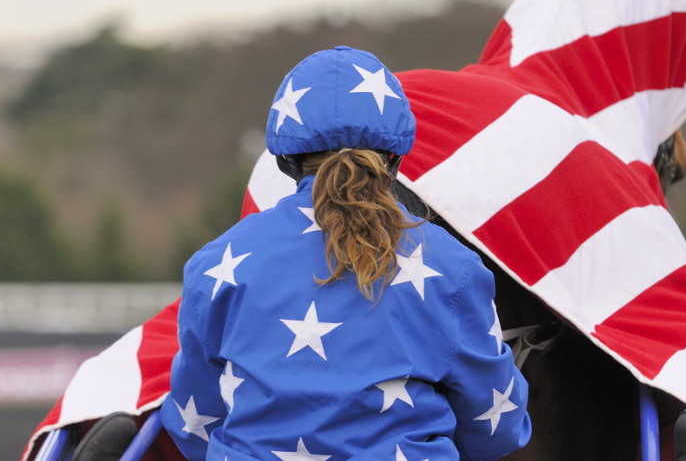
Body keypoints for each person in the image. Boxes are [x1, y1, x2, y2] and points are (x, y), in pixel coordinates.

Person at [159, 45, 531, 460]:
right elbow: (496, 427)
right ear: (393, 157)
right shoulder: (453, 267)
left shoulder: (215, 264)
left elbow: (193, 422)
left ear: (285, 160)